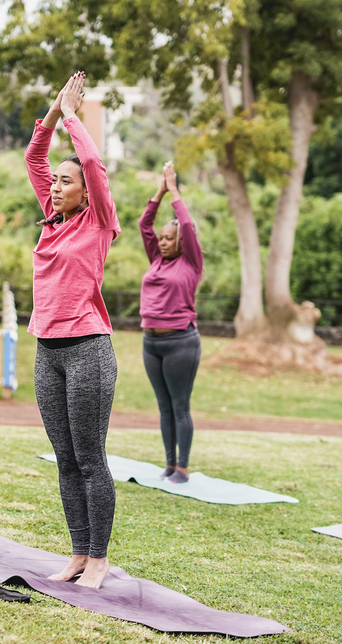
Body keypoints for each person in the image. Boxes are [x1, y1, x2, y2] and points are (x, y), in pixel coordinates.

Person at [26, 72, 120, 589]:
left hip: (88, 350)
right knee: (64, 460)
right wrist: (51, 110)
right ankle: (79, 553)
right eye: (55, 183)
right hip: (48, 352)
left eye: (66, 182)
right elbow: (33, 160)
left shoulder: (99, 219)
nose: (56, 186)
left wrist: (71, 117)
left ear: (87, 190)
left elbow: (93, 165)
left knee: (89, 457)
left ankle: (101, 558)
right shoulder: (53, 217)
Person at [139, 161, 204, 484]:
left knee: (180, 406)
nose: (163, 242)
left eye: (169, 238)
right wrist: (160, 191)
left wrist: (175, 191)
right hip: (151, 342)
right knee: (164, 407)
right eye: (161, 238)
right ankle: (168, 464)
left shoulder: (191, 263)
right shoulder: (156, 260)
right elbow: (144, 224)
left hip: (180, 343)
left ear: (180, 242)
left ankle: (183, 467)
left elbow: (188, 227)